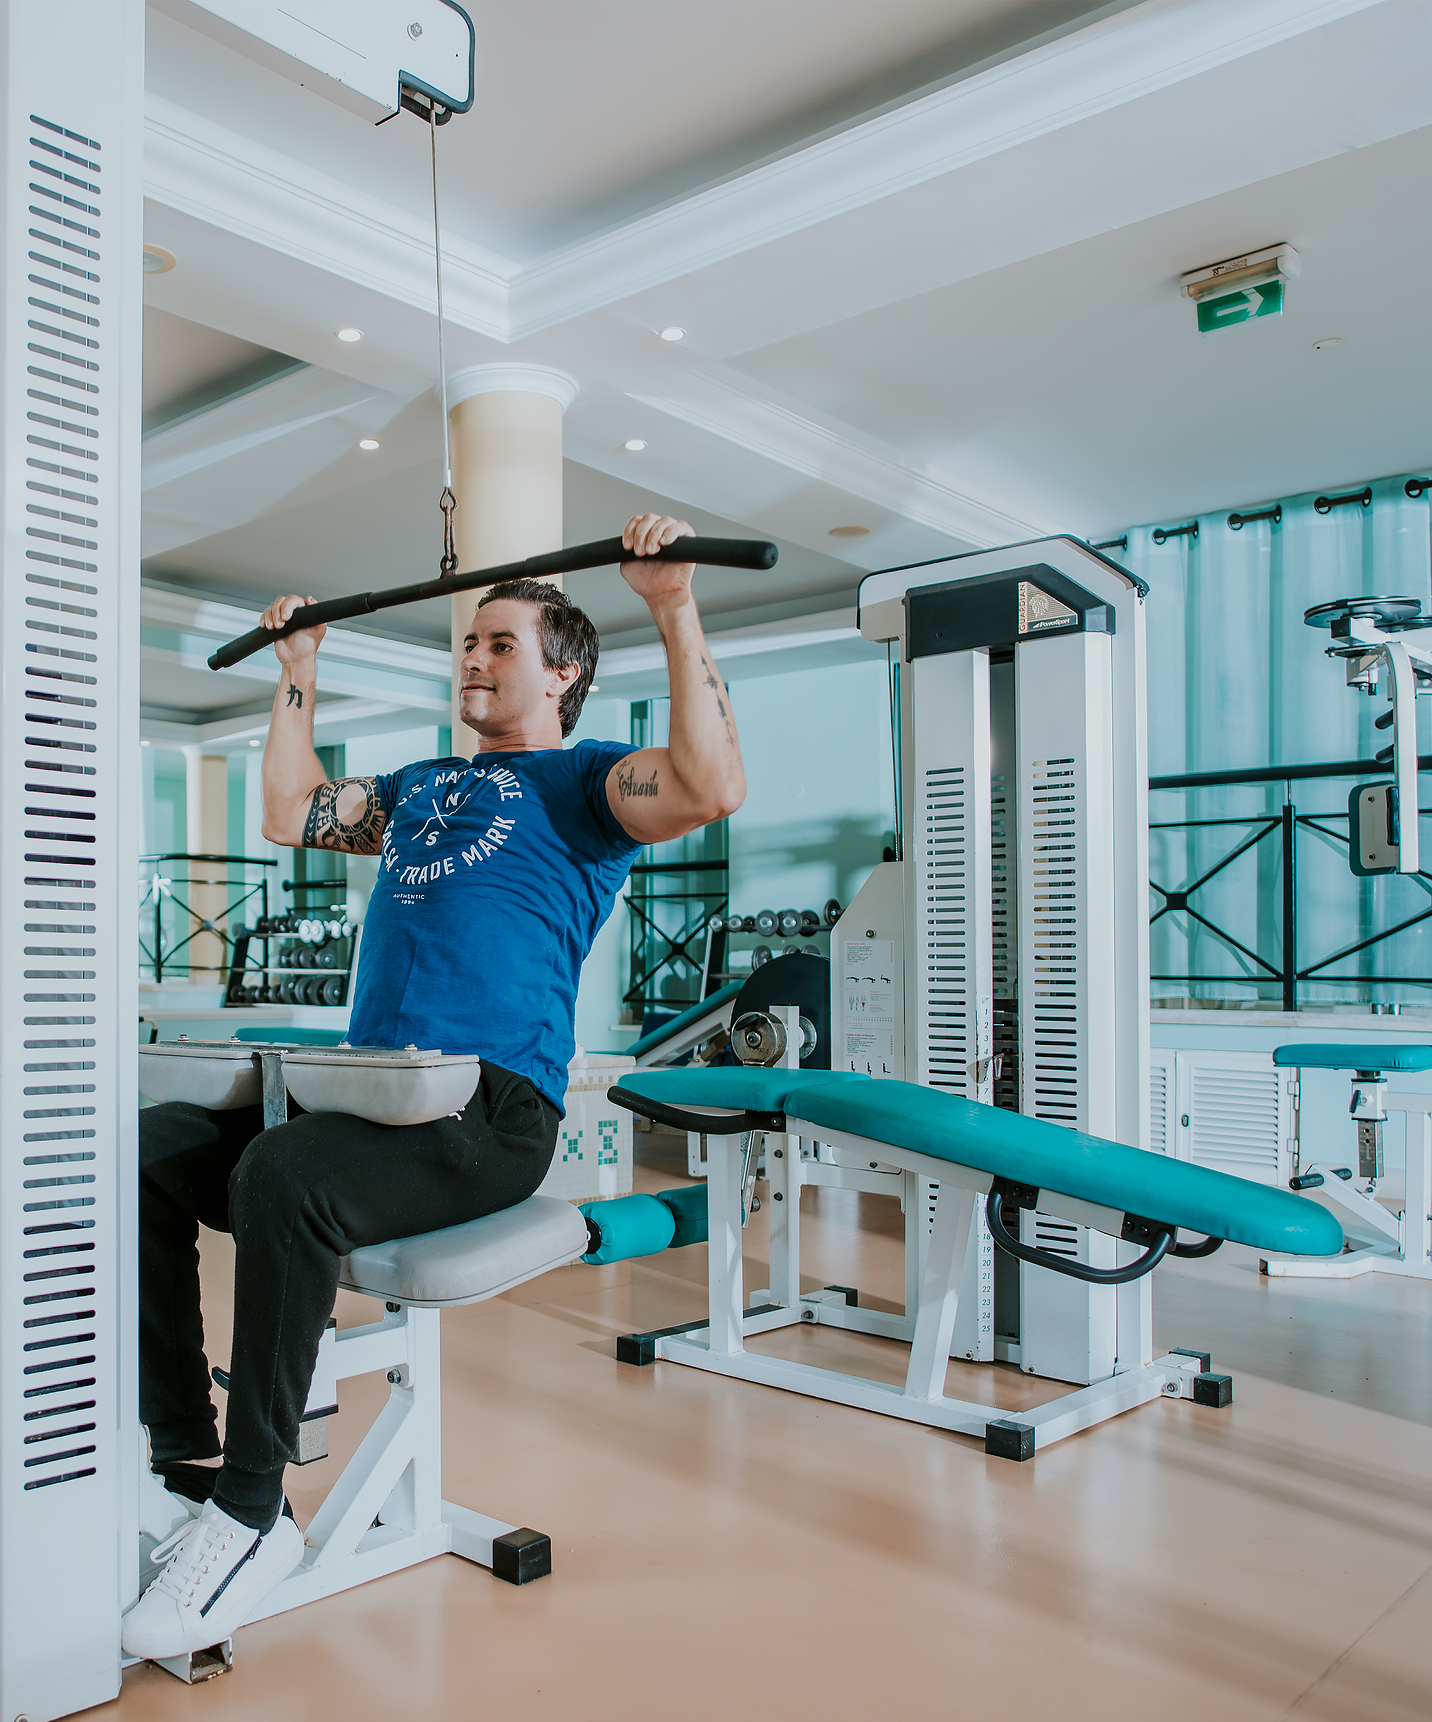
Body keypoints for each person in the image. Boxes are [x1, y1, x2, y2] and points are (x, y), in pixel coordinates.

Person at [122, 514, 745, 1658]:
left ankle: (251, 1512)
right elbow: (289, 811)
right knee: (152, 1148)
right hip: (373, 1093)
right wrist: (296, 675)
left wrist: (669, 602)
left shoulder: (584, 786)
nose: (473, 658)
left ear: (562, 672)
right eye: (469, 644)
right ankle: (182, 1455)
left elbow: (710, 785)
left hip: (490, 1112)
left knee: (286, 1170)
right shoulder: (422, 786)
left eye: (501, 644)